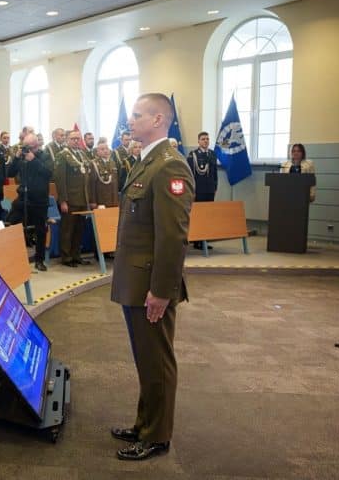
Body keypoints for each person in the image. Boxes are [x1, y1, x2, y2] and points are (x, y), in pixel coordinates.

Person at [110, 93, 193, 461]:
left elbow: (173, 237)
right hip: (136, 280)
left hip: (150, 286)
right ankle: (145, 423)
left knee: (157, 359)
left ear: (159, 119)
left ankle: (157, 436)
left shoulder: (169, 166)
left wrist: (161, 291)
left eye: (138, 114)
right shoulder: (147, 161)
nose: (131, 120)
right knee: (146, 358)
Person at [6, 132, 53, 272]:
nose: (28, 149)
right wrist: (16, 157)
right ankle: (13, 257)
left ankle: (39, 260)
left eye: (30, 146)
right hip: (23, 198)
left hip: (39, 200)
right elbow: (10, 173)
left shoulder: (45, 156)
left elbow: (48, 174)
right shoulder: (22, 157)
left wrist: (34, 160)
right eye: (25, 146)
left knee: (40, 230)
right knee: (11, 223)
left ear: (36, 145)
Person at [54, 130, 91, 267]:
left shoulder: (82, 154)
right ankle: (66, 257)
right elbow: (60, 180)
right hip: (70, 199)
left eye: (77, 139)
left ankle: (76, 255)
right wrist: (63, 200)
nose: (76, 141)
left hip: (82, 199)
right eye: (73, 139)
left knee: (78, 230)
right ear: (67, 140)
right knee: (67, 229)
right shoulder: (62, 155)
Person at [187, 131, 218, 250]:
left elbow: (214, 173)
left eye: (207, 139)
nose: (206, 141)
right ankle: (196, 241)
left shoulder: (212, 154)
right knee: (197, 216)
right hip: (198, 190)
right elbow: (190, 174)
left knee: (207, 216)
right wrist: (192, 190)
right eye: (203, 139)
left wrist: (215, 187)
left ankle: (204, 240)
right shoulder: (193, 155)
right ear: (198, 141)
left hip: (209, 190)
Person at [90, 142, 120, 208]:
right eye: (102, 149)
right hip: (101, 200)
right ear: (97, 152)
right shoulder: (94, 164)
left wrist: (116, 200)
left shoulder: (113, 162)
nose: (105, 151)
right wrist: (93, 201)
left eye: (106, 148)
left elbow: (115, 183)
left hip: (113, 200)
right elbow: (92, 184)